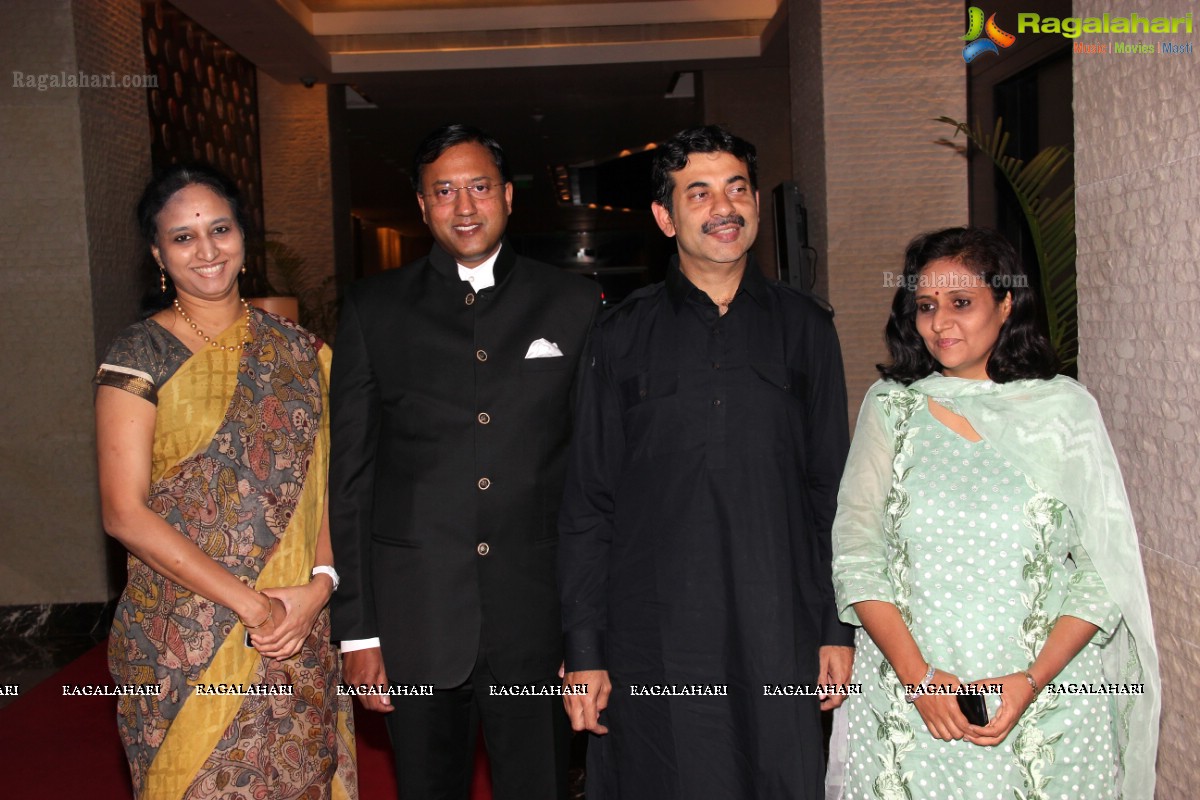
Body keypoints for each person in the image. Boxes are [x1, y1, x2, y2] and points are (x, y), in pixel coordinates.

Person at [557, 125, 856, 800]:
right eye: (700, 193)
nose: (725, 207)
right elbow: (588, 503)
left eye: (738, 188)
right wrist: (585, 650)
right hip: (652, 632)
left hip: (777, 621)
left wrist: (836, 627)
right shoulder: (619, 335)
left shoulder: (805, 327)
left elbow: (831, 491)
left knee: (778, 776)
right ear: (665, 216)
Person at [828, 227, 1160, 800]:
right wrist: (919, 680)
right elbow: (857, 553)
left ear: (1006, 305)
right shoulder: (893, 409)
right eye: (927, 306)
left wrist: (1030, 682)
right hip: (909, 707)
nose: (940, 323)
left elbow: (1104, 568)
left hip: (1045, 707)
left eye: (962, 303)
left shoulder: (1063, 412)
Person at [328, 123, 599, 800]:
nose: (465, 206)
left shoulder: (570, 303)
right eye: (444, 191)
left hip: (534, 614)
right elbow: (352, 479)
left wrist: (587, 631)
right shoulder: (373, 309)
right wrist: (357, 631)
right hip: (414, 614)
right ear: (422, 207)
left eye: (479, 187)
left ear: (508, 196)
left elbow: (592, 478)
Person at [95, 163, 357, 799]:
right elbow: (123, 513)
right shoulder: (138, 356)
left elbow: (330, 488)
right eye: (183, 238)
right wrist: (252, 606)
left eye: (219, 229)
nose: (207, 250)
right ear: (158, 254)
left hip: (297, 628)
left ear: (243, 236)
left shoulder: (305, 352)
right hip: (180, 639)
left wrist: (319, 589)